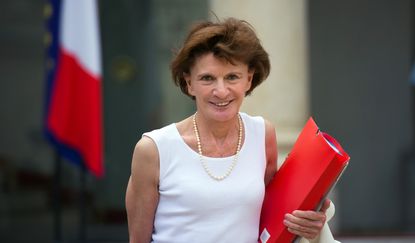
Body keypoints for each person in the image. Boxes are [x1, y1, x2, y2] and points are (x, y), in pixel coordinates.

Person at [126, 17, 332, 243]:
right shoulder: (153, 149)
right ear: (189, 83)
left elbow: (273, 219)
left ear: (249, 80)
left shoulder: (263, 135)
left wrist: (309, 225)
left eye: (232, 77)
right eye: (207, 78)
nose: (221, 91)